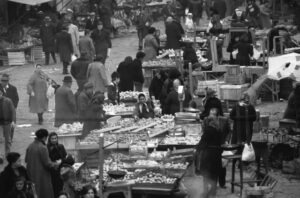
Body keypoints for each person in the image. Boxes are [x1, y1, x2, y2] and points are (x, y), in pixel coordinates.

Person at [25, 129, 60, 198]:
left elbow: (26, 160)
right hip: (42, 176)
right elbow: (47, 163)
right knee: (44, 192)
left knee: (34, 192)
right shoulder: (43, 147)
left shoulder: (30, 145)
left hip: (31, 173)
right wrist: (56, 164)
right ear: (44, 137)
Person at [195, 117, 222, 198]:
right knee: (214, 173)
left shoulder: (208, 130)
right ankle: (213, 191)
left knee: (206, 173)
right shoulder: (218, 130)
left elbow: (202, 143)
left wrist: (196, 148)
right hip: (217, 155)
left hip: (209, 155)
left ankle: (205, 191)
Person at [47, 132, 67, 197]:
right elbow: (46, 160)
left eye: (55, 138)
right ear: (49, 139)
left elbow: (65, 157)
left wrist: (61, 161)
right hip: (52, 172)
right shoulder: (46, 148)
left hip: (61, 171)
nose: (54, 140)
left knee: (61, 187)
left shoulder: (61, 146)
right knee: (54, 188)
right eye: (52, 138)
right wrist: (54, 163)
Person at [0, 73, 18, 141]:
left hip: (11, 110)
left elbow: (16, 98)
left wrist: (14, 107)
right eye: (2, 81)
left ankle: (10, 138)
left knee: (12, 125)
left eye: (5, 81)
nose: (3, 82)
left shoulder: (13, 88)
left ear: (8, 81)